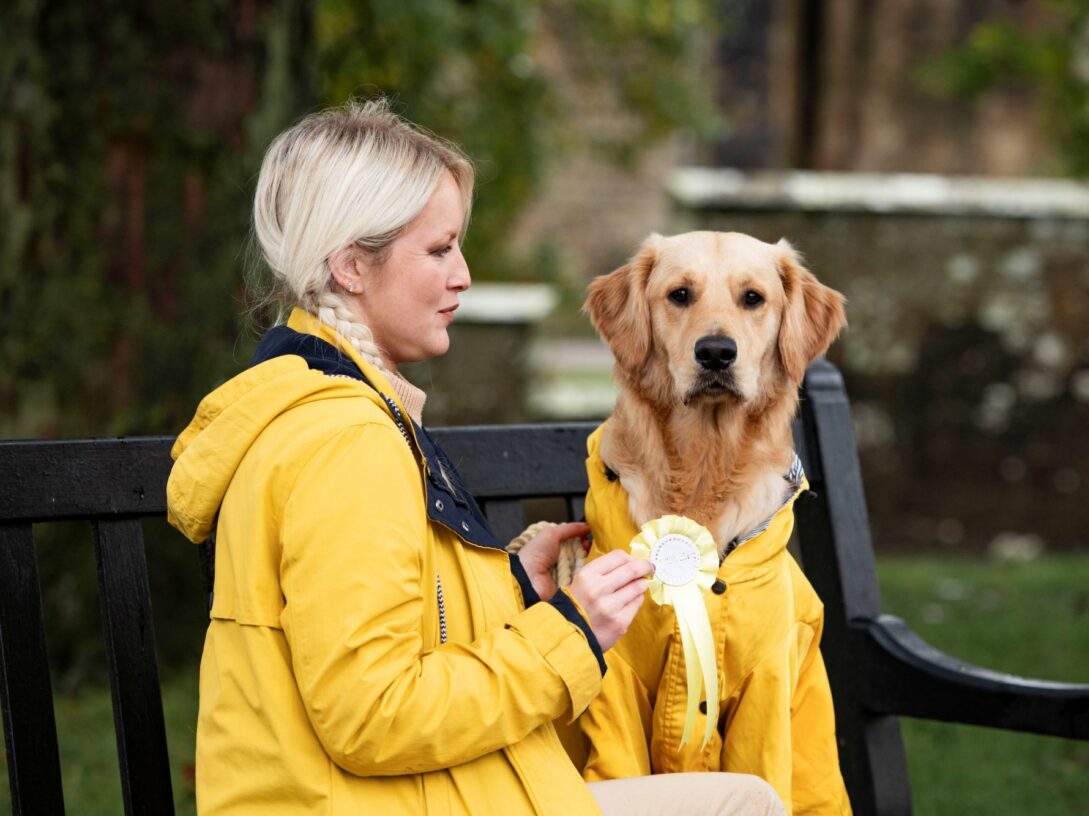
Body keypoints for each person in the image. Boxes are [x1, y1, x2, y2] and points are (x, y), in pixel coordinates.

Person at [166, 98, 787, 815]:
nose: (464, 275)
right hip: (376, 803)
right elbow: (371, 716)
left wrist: (517, 591)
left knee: (741, 798)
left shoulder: (322, 406)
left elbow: (389, 628)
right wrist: (571, 635)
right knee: (745, 807)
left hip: (387, 797)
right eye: (438, 250)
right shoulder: (346, 443)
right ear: (350, 268)